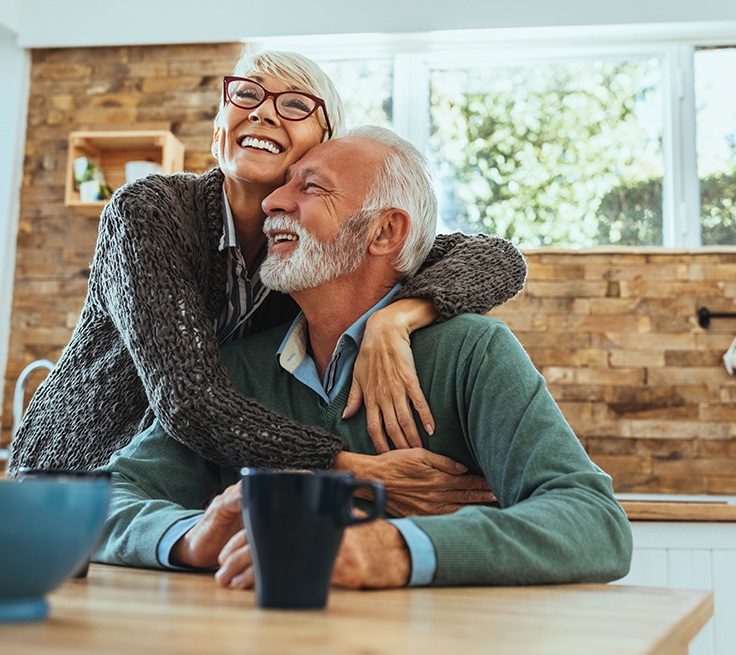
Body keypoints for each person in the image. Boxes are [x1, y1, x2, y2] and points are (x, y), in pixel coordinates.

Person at [95, 126, 632, 589]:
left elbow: (593, 521)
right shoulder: (237, 369)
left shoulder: (472, 352)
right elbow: (105, 500)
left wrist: (389, 549)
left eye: (310, 188)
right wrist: (191, 537)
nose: (272, 202)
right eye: (283, 185)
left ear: (384, 231)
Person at [8, 48, 527, 494]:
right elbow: (189, 399)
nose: (262, 113)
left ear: (323, 148)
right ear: (218, 134)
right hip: (76, 474)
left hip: (188, 487)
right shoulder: (149, 212)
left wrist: (395, 320)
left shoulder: (310, 254)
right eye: (246, 96)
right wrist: (343, 467)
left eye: (296, 104)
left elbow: (497, 257)